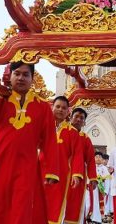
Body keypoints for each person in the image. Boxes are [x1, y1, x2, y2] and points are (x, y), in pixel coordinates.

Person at [0, 62, 60, 224]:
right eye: (17, 73)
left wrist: (51, 171)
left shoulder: (43, 107)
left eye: (26, 74)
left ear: (32, 78)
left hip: (27, 166)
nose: (21, 78)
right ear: (10, 76)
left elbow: (49, 140)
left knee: (21, 208)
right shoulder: (0, 101)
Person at [43, 96, 84, 224]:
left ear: (68, 112)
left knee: (56, 206)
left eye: (64, 108)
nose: (60, 110)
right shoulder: (43, 127)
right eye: (58, 107)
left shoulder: (72, 132)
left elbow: (78, 154)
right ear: (52, 108)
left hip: (61, 175)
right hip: (40, 171)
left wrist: (77, 174)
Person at [64, 108, 97, 224]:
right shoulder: (63, 131)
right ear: (70, 117)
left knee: (75, 204)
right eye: (76, 116)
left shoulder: (85, 138)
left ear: (84, 122)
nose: (78, 119)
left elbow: (91, 159)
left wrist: (93, 178)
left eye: (81, 118)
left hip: (78, 175)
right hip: (62, 173)